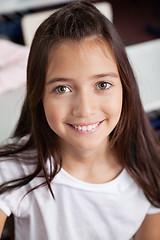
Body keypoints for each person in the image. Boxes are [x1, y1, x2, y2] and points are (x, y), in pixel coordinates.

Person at [0, 1, 160, 239]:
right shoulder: (13, 170)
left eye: (102, 85)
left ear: (125, 88)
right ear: (38, 95)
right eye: (62, 88)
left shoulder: (148, 168)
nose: (85, 109)